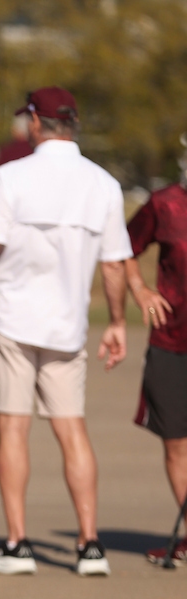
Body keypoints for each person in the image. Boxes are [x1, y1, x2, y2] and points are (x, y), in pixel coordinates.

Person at [0, 87, 130, 577]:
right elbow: (114, 264)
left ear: (35, 121)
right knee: (73, 431)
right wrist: (115, 321)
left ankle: (17, 543)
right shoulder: (105, 184)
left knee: (13, 427)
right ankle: (90, 545)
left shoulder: (12, 176)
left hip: (11, 318)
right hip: (66, 325)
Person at [123, 136, 187, 563]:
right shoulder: (165, 203)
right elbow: (123, 247)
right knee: (176, 443)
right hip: (172, 341)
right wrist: (140, 288)